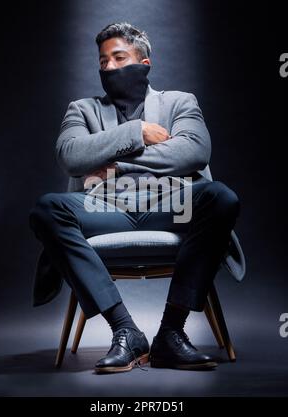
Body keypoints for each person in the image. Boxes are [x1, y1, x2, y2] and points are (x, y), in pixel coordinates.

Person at [29, 22, 241, 373]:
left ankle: (171, 333)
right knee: (48, 209)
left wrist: (111, 162)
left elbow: (194, 152)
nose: (109, 68)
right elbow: (70, 157)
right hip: (105, 208)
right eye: (103, 61)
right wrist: (137, 131)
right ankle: (125, 329)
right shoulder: (82, 109)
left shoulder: (179, 102)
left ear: (143, 63)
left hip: (172, 205)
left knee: (220, 198)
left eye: (118, 57)